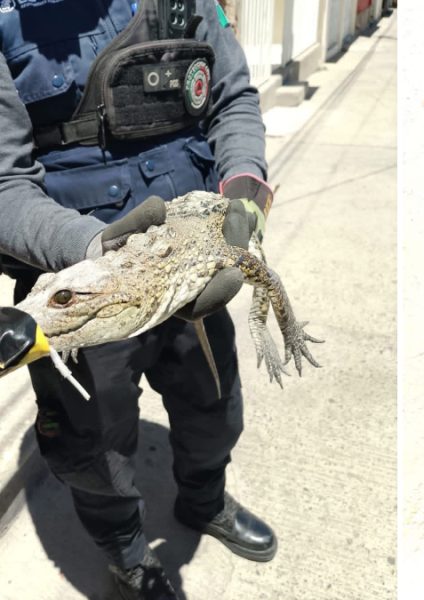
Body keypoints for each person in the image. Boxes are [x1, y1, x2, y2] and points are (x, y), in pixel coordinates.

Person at [0, 1, 276, 598]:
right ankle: (128, 555)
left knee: (215, 410)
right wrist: (99, 252)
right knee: (93, 450)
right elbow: (4, 183)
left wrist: (245, 193)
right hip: (80, 283)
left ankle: (204, 500)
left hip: (189, 273)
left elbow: (231, 101)